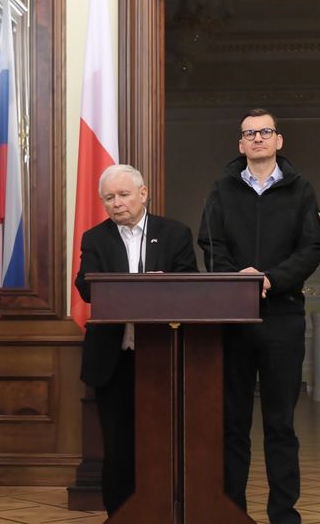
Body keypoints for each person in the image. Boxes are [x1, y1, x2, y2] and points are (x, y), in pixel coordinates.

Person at [198, 108, 320, 524]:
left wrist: (271, 279)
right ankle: (231, 510)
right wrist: (239, 281)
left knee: (280, 425)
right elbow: (210, 244)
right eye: (249, 134)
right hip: (234, 320)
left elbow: (312, 247)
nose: (257, 139)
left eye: (265, 132)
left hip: (282, 318)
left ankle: (283, 513)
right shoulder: (221, 189)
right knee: (233, 424)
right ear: (240, 144)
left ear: (279, 140)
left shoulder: (301, 189)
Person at [74, 164, 197, 516]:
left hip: (161, 356)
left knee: (160, 443)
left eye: (124, 195)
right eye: (109, 198)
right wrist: (124, 288)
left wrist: (162, 286)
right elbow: (85, 287)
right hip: (113, 359)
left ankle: (163, 511)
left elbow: (191, 284)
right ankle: (121, 515)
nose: (117, 204)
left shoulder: (174, 233)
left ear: (143, 194)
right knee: (118, 447)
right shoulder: (94, 238)